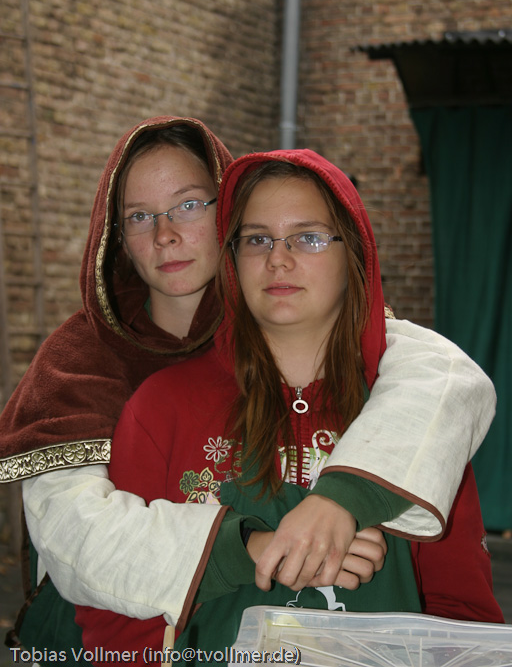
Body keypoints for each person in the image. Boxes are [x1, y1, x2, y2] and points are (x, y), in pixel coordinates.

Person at [0, 120, 496, 655]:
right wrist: (256, 548)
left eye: (189, 204)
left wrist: (346, 501)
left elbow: (460, 612)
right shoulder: (95, 374)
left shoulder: (400, 391)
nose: (165, 234)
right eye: (139, 216)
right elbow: (84, 549)